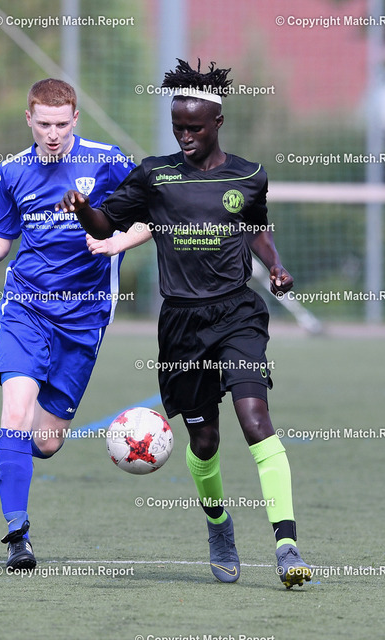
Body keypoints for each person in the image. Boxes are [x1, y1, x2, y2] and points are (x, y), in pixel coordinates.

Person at [58, 60, 312, 588]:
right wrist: (82, 208)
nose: (185, 136)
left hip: (237, 313)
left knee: (255, 418)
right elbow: (106, 225)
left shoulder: (249, 175)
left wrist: (276, 265)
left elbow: (257, 229)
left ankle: (287, 546)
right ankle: (218, 524)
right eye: (178, 127)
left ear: (217, 122)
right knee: (204, 441)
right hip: (181, 326)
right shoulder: (155, 175)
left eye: (194, 127)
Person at [0, 78, 149, 570]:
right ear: (29, 119)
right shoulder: (12, 172)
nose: (52, 134)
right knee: (15, 413)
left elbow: (153, 215)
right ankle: (17, 535)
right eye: (43, 123)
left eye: (61, 124)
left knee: (45, 440)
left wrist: (117, 242)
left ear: (75, 120)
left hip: (85, 316)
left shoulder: (107, 161)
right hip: (26, 308)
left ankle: (17, 458)